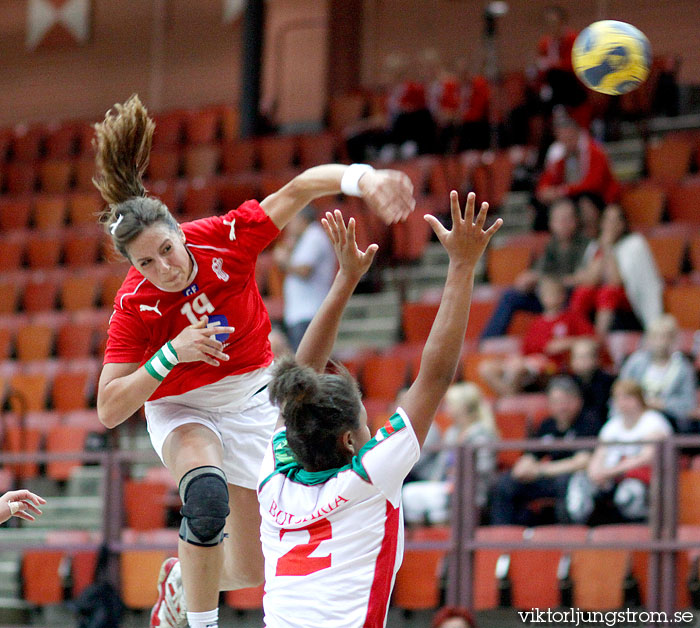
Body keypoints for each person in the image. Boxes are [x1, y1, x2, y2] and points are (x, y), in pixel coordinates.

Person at [92, 95, 414, 628]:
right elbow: (107, 408)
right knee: (206, 495)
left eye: (166, 250)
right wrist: (170, 355)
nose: (163, 268)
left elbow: (303, 185)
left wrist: (364, 179)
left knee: (251, 567)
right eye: (145, 263)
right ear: (131, 266)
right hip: (180, 406)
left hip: (251, 395)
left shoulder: (224, 239)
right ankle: (199, 623)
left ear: (179, 230)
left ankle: (179, 581)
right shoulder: (133, 305)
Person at [257, 192, 501, 627]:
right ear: (350, 440)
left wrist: (344, 280)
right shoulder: (367, 477)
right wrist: (463, 266)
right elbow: (436, 377)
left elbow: (302, 377)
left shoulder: (273, 483)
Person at [489, 376, 600, 526]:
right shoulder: (547, 425)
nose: (561, 407)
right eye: (555, 402)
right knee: (505, 483)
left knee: (566, 483)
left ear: (577, 401)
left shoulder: (588, 422)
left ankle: (565, 537)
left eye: (565, 401)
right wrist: (522, 468)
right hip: (546, 475)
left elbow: (582, 461)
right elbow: (531, 455)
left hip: (572, 478)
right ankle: (503, 536)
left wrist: (541, 470)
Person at [480, 197, 589, 339]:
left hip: (569, 298)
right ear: (551, 222)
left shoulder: (586, 245)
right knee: (510, 296)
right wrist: (528, 280)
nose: (563, 224)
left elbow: (585, 278)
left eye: (568, 218)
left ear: (576, 220)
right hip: (546, 294)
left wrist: (552, 282)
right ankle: (487, 343)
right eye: (559, 219)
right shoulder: (551, 245)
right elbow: (538, 271)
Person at [566, 379, 672, 524]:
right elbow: (599, 455)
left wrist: (610, 472)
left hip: (642, 480)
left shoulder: (653, 421)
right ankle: (581, 531)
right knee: (580, 482)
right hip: (611, 479)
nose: (622, 403)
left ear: (639, 399)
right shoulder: (612, 425)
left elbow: (646, 458)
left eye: (627, 397)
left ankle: (639, 534)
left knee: (629, 492)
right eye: (618, 398)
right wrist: (595, 473)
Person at [479, 278, 595, 396]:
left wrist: (565, 343)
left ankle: (512, 405)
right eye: (545, 294)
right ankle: (511, 401)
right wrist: (519, 358)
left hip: (554, 367)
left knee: (517, 370)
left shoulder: (571, 317)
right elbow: (526, 349)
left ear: (562, 295)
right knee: (487, 368)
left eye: (552, 293)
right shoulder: (536, 322)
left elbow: (592, 339)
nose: (548, 297)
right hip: (531, 363)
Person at [402, 382, 498, 524]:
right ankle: (422, 540)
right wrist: (435, 480)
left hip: (471, 489)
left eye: (450, 404)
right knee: (410, 493)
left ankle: (444, 540)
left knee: (435, 497)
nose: (446, 408)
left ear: (462, 407)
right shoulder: (452, 433)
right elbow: (441, 464)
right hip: (447, 485)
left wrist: (458, 474)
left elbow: (484, 469)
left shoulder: (482, 434)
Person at [568, 204, 663, 336]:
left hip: (630, 305)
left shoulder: (635, 243)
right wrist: (602, 247)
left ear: (623, 223)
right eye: (607, 219)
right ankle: (575, 333)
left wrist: (608, 248)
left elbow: (615, 281)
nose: (610, 224)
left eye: (615, 220)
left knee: (608, 293)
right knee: (582, 292)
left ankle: (598, 339)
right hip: (601, 304)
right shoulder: (595, 245)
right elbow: (591, 279)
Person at [535, 108, 620, 223]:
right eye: (562, 138)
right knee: (553, 209)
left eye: (568, 137)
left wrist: (562, 191)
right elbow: (547, 180)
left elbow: (593, 184)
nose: (565, 141)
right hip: (573, 196)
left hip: (601, 198)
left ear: (576, 133)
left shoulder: (595, 151)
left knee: (586, 205)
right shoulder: (559, 154)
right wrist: (546, 191)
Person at [273, 205, 337, 350]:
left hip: (310, 314)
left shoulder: (314, 235)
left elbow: (304, 270)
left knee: (306, 366)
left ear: (302, 219)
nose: (288, 225)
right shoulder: (302, 239)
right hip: (299, 314)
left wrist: (284, 262)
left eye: (292, 220)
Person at [619, 315, 697, 433]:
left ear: (673, 339)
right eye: (655, 336)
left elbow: (688, 404)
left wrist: (663, 404)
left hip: (669, 420)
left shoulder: (683, 368)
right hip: (632, 416)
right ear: (648, 338)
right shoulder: (635, 363)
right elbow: (621, 392)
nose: (660, 342)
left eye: (665, 336)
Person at [569, 338, 615, 426]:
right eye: (578, 357)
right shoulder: (568, 382)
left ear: (596, 359)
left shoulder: (608, 382)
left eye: (585, 356)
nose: (582, 361)